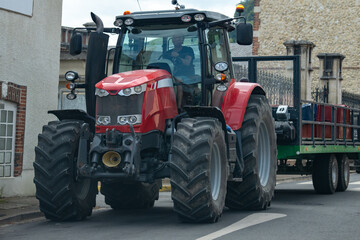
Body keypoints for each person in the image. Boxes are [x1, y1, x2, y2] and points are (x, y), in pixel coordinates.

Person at [163, 35, 198, 109]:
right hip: (171, 76)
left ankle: (178, 107)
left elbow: (187, 63)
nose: (178, 39)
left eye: (179, 38)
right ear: (172, 40)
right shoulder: (168, 53)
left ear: (183, 40)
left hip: (187, 76)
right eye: (176, 37)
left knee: (178, 81)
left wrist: (178, 56)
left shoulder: (188, 50)